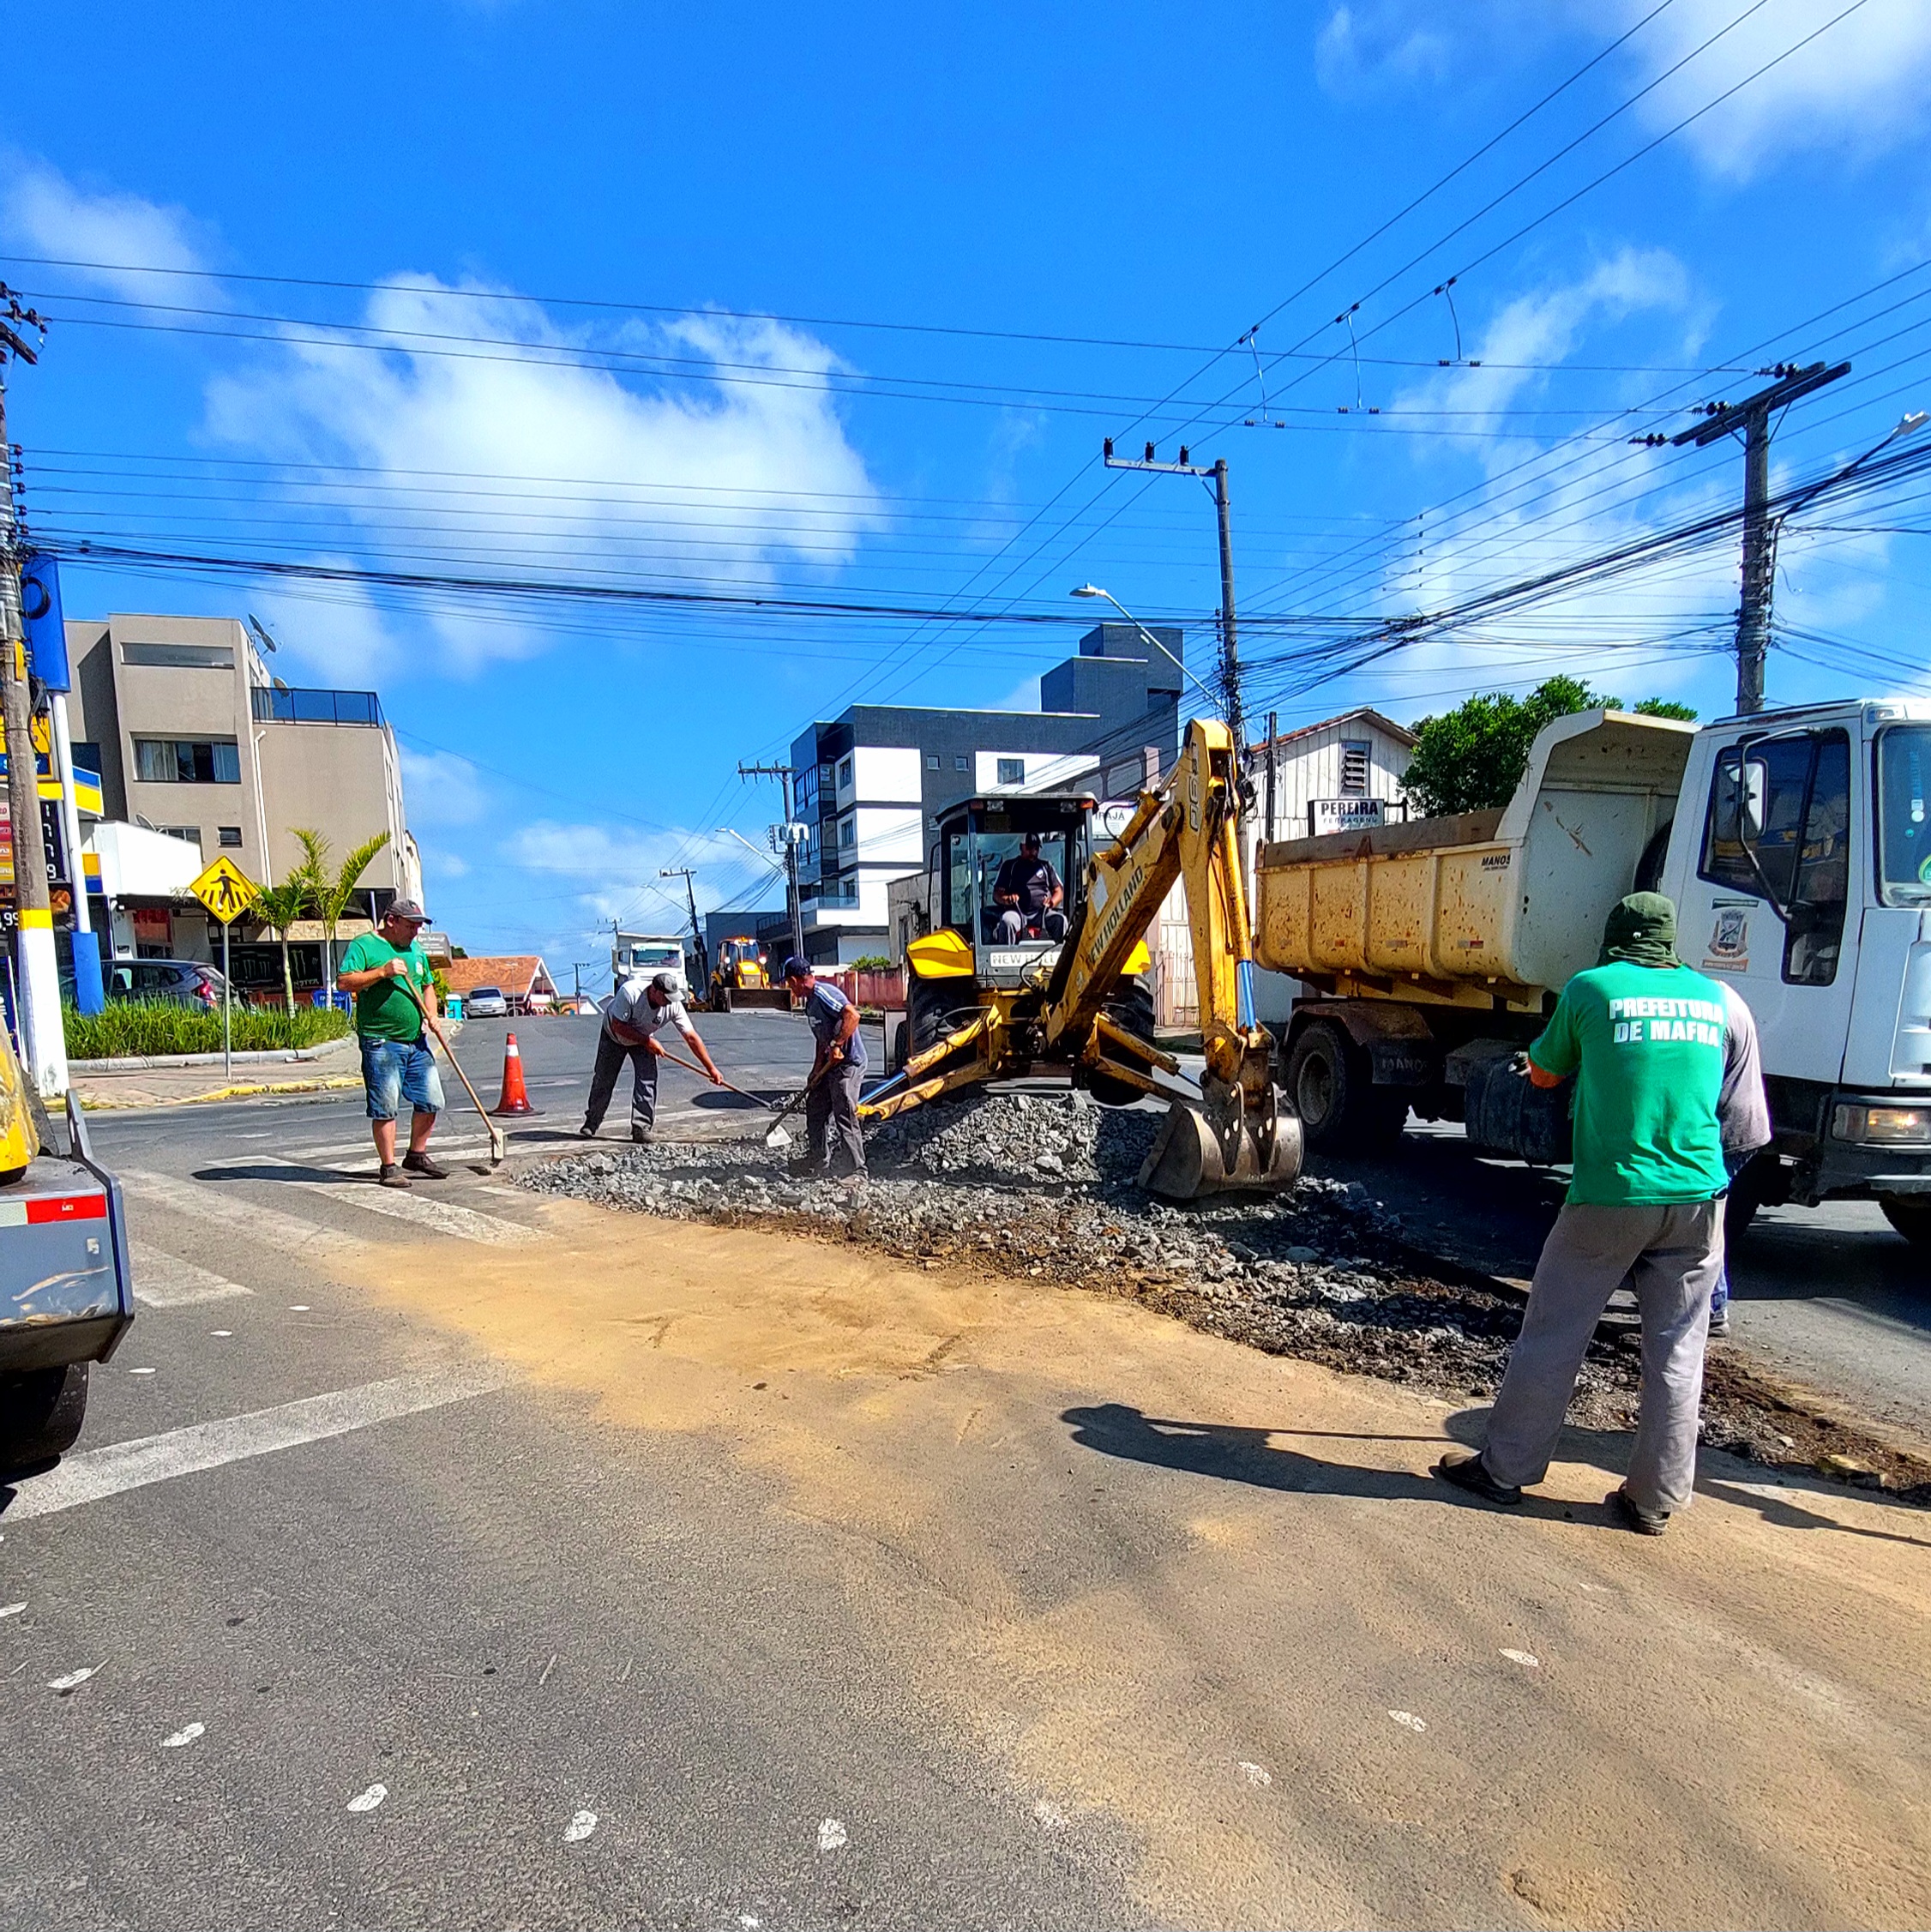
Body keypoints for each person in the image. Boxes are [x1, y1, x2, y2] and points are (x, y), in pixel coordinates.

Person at [1435, 892, 1769, 1535]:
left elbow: (1543, 1073)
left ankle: (1504, 1471)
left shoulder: (1592, 989)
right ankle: (1654, 1501)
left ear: (1615, 938)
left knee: (1555, 1331)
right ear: (1671, 943)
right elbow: (1739, 1116)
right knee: (1678, 1351)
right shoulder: (1719, 999)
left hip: (1612, 1193)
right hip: (1699, 1198)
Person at [337, 899, 446, 1189]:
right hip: (381, 1042)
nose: (415, 932)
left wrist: (432, 1014)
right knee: (385, 1106)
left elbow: (427, 985)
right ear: (391, 921)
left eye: (418, 927)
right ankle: (388, 1167)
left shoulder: (416, 949)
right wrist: (382, 972)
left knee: (431, 1099)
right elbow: (345, 982)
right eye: (411, 926)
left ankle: (416, 1155)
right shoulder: (364, 946)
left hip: (416, 1041)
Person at [581, 969, 723, 1143]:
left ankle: (641, 1127)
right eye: (666, 997)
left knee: (647, 1080)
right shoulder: (630, 993)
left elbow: (691, 1037)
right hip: (614, 1036)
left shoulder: (673, 1005)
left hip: (644, 1039)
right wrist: (647, 1042)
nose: (669, 1002)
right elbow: (618, 1026)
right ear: (654, 990)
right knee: (604, 1079)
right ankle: (592, 1122)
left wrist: (711, 1069)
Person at [779, 956, 867, 1180]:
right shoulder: (810, 1004)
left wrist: (838, 1045)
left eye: (790, 984)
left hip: (849, 1063)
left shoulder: (823, 994)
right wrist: (816, 1070)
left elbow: (852, 1015)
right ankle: (819, 1160)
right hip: (830, 1065)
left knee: (844, 1109)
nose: (790, 989)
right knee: (816, 1107)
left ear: (796, 980)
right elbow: (821, 1039)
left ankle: (856, 1169)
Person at [993, 832, 1067, 942]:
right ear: (1021, 847)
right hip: (1017, 912)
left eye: (1036, 848)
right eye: (1029, 848)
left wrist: (1052, 902)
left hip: (1042, 913)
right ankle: (1007, 955)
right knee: (1007, 922)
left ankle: (1062, 956)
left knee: (1061, 920)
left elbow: (1058, 891)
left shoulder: (1046, 866)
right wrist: (1007, 899)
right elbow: (997, 894)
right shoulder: (1010, 866)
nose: (1033, 852)